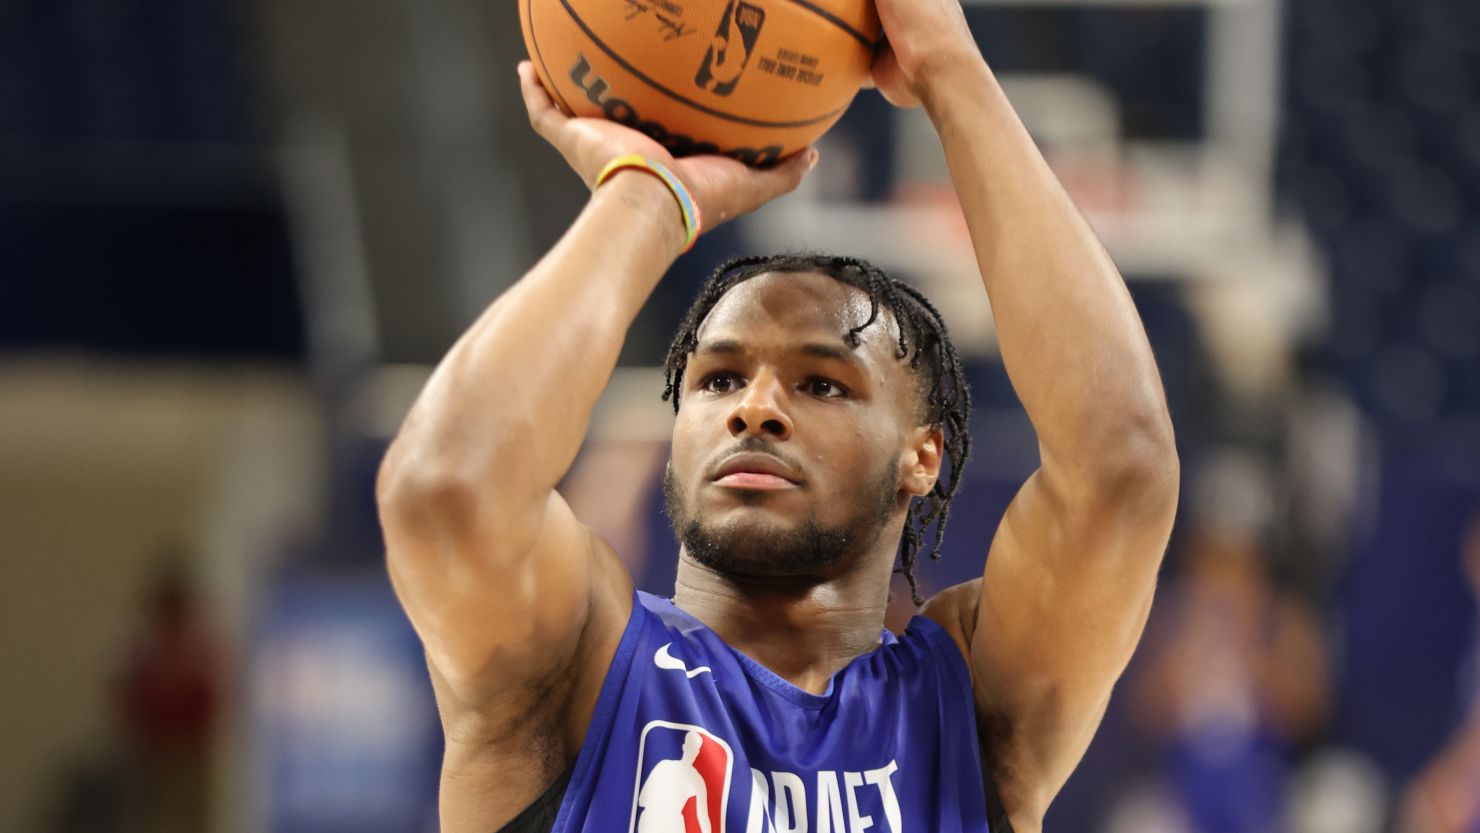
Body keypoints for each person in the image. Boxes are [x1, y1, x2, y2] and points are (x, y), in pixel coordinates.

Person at [376, 0, 1179, 830]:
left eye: (821, 383)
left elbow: (1122, 465)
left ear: (924, 455)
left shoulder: (966, 710)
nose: (754, 408)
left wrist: (951, 70)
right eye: (718, 379)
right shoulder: (578, 668)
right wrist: (651, 201)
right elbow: (444, 486)